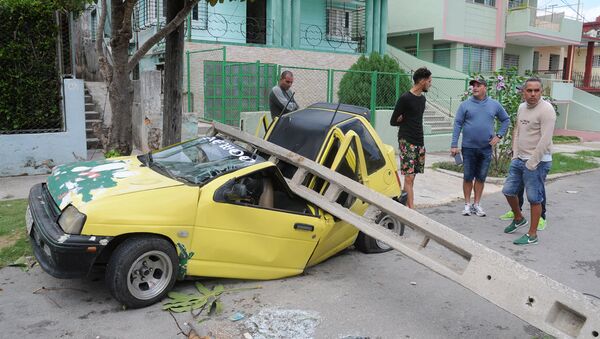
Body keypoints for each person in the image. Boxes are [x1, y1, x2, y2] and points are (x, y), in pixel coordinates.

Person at [502, 77, 555, 245]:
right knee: (508, 191)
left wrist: (532, 163)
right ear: (523, 91)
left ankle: (532, 235)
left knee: (534, 198)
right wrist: (515, 154)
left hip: (538, 162)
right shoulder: (521, 107)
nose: (533, 94)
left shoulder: (547, 110)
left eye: (536, 90)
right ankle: (518, 218)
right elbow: (518, 129)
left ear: (541, 91)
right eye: (529, 90)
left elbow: (545, 140)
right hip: (520, 159)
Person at [450, 76, 509, 217]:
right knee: (468, 177)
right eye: (473, 85)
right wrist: (454, 144)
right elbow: (458, 124)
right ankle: (467, 205)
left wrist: (499, 135)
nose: (474, 88)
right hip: (468, 147)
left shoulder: (494, 104)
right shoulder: (465, 105)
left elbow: (505, 120)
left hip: (486, 148)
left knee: (481, 177)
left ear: (485, 87)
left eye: (478, 85)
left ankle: (477, 204)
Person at [389, 67, 432, 209]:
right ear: (422, 81)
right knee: (408, 177)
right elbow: (393, 121)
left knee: (412, 177)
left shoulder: (422, 100)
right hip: (406, 139)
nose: (430, 84)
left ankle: (404, 202)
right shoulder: (405, 98)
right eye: (429, 81)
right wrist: (402, 119)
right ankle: (411, 210)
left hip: (419, 139)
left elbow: (416, 119)